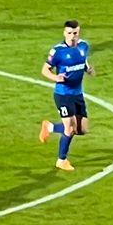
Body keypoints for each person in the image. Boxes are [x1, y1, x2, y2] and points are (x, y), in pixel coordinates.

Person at [39, 20, 92, 173]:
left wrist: (87, 69)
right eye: (69, 33)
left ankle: (49, 127)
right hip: (63, 94)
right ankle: (61, 160)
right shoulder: (57, 51)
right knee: (69, 128)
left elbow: (83, 60)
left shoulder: (84, 46)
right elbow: (45, 70)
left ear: (79, 32)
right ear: (64, 33)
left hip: (78, 94)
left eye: (75, 33)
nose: (72, 36)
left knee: (82, 129)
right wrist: (56, 78)